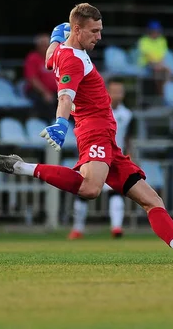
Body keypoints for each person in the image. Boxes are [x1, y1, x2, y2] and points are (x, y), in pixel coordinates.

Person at [0, 3, 173, 264]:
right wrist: (61, 124)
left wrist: (56, 36)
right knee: (90, 189)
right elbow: (64, 96)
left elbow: (51, 53)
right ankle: (21, 167)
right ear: (77, 29)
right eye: (94, 31)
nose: (99, 37)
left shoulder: (61, 51)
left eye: (100, 30)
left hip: (107, 136)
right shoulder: (72, 60)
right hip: (95, 130)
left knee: (152, 200)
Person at [69, 79, 134, 239]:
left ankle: (116, 228)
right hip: (95, 154)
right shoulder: (98, 109)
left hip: (115, 156)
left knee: (115, 192)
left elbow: (128, 137)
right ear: (107, 92)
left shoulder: (127, 115)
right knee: (84, 191)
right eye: (113, 91)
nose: (116, 95)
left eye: (119, 91)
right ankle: (77, 229)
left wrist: (129, 156)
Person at [24, 34, 58, 120]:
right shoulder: (33, 58)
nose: (46, 47)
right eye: (43, 45)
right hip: (37, 92)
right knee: (47, 103)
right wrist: (45, 92)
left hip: (55, 91)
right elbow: (32, 79)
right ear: (38, 46)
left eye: (48, 45)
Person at [137, 20, 171, 96]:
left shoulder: (162, 40)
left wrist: (160, 64)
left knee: (168, 70)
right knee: (159, 70)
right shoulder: (143, 40)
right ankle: (160, 94)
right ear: (149, 31)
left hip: (159, 64)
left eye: (157, 31)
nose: (155, 33)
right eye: (153, 31)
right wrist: (157, 65)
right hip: (146, 64)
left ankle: (163, 92)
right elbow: (148, 57)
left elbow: (162, 56)